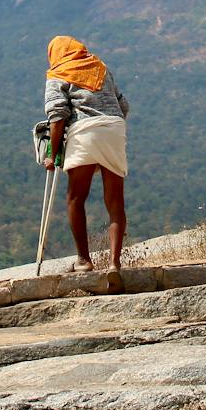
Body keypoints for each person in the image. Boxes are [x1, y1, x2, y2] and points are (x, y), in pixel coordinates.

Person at [42, 34, 130, 271]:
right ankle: (114, 264)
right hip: (114, 128)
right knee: (115, 202)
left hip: (84, 132)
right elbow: (124, 105)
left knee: (75, 197)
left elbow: (58, 116)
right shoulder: (101, 68)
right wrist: (109, 134)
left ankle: (84, 260)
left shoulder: (58, 74)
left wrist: (52, 153)